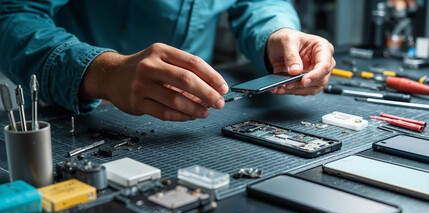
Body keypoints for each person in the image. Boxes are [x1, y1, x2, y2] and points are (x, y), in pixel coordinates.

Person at [0, 0, 335, 121]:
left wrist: (276, 33)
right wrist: (101, 72)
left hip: (197, 117)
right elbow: (12, 15)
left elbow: (258, 2)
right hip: (84, 111)